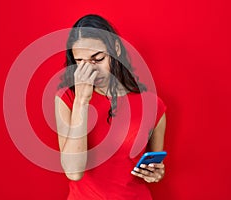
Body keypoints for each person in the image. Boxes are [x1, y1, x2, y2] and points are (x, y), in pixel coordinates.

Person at [55, 14, 167, 199]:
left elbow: (154, 166)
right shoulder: (67, 98)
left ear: (115, 49)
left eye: (97, 59)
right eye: (81, 62)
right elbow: (74, 172)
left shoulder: (153, 105)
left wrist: (156, 174)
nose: (90, 70)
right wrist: (82, 101)